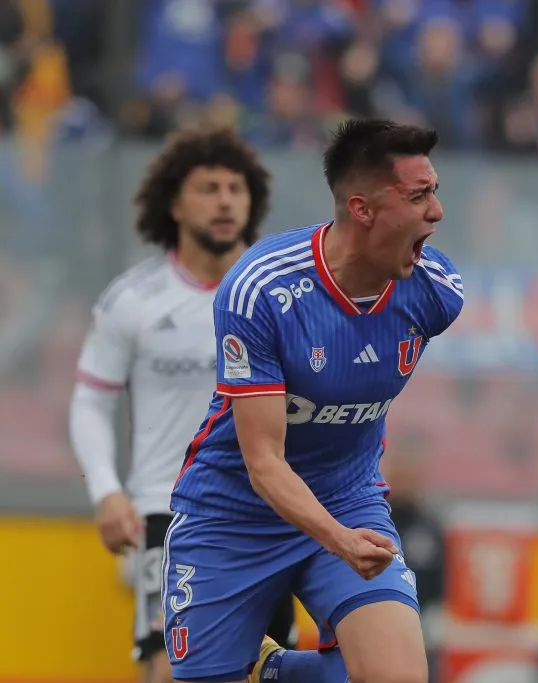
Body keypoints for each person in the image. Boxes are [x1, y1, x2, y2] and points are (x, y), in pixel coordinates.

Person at [163, 118, 463, 683]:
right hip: (232, 515)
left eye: (436, 192)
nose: (437, 212)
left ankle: (277, 671)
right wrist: (340, 540)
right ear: (363, 209)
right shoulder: (261, 289)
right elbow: (264, 463)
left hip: (350, 500)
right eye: (419, 195)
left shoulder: (436, 293)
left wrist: (347, 532)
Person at [69, 129, 297, 683]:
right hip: (167, 513)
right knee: (170, 669)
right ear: (174, 203)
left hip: (267, 511)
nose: (224, 201)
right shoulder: (133, 301)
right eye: (208, 188)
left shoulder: (283, 295)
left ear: (253, 201)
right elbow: (90, 403)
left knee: (259, 672)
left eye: (236, 188)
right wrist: (106, 490)